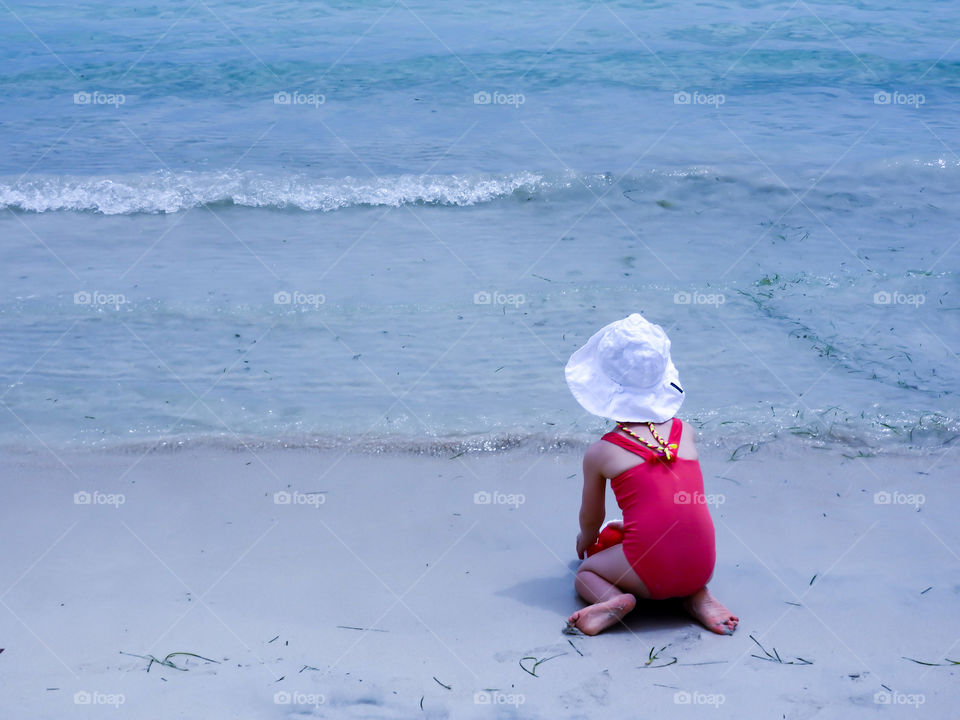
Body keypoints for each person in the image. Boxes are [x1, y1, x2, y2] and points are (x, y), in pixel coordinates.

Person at [563, 313, 738, 636]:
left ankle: (614, 602)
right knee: (663, 547)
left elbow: (592, 517)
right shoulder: (685, 432)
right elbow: (671, 504)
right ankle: (697, 594)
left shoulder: (601, 452)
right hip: (703, 563)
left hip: (649, 570)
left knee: (586, 573)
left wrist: (585, 540)